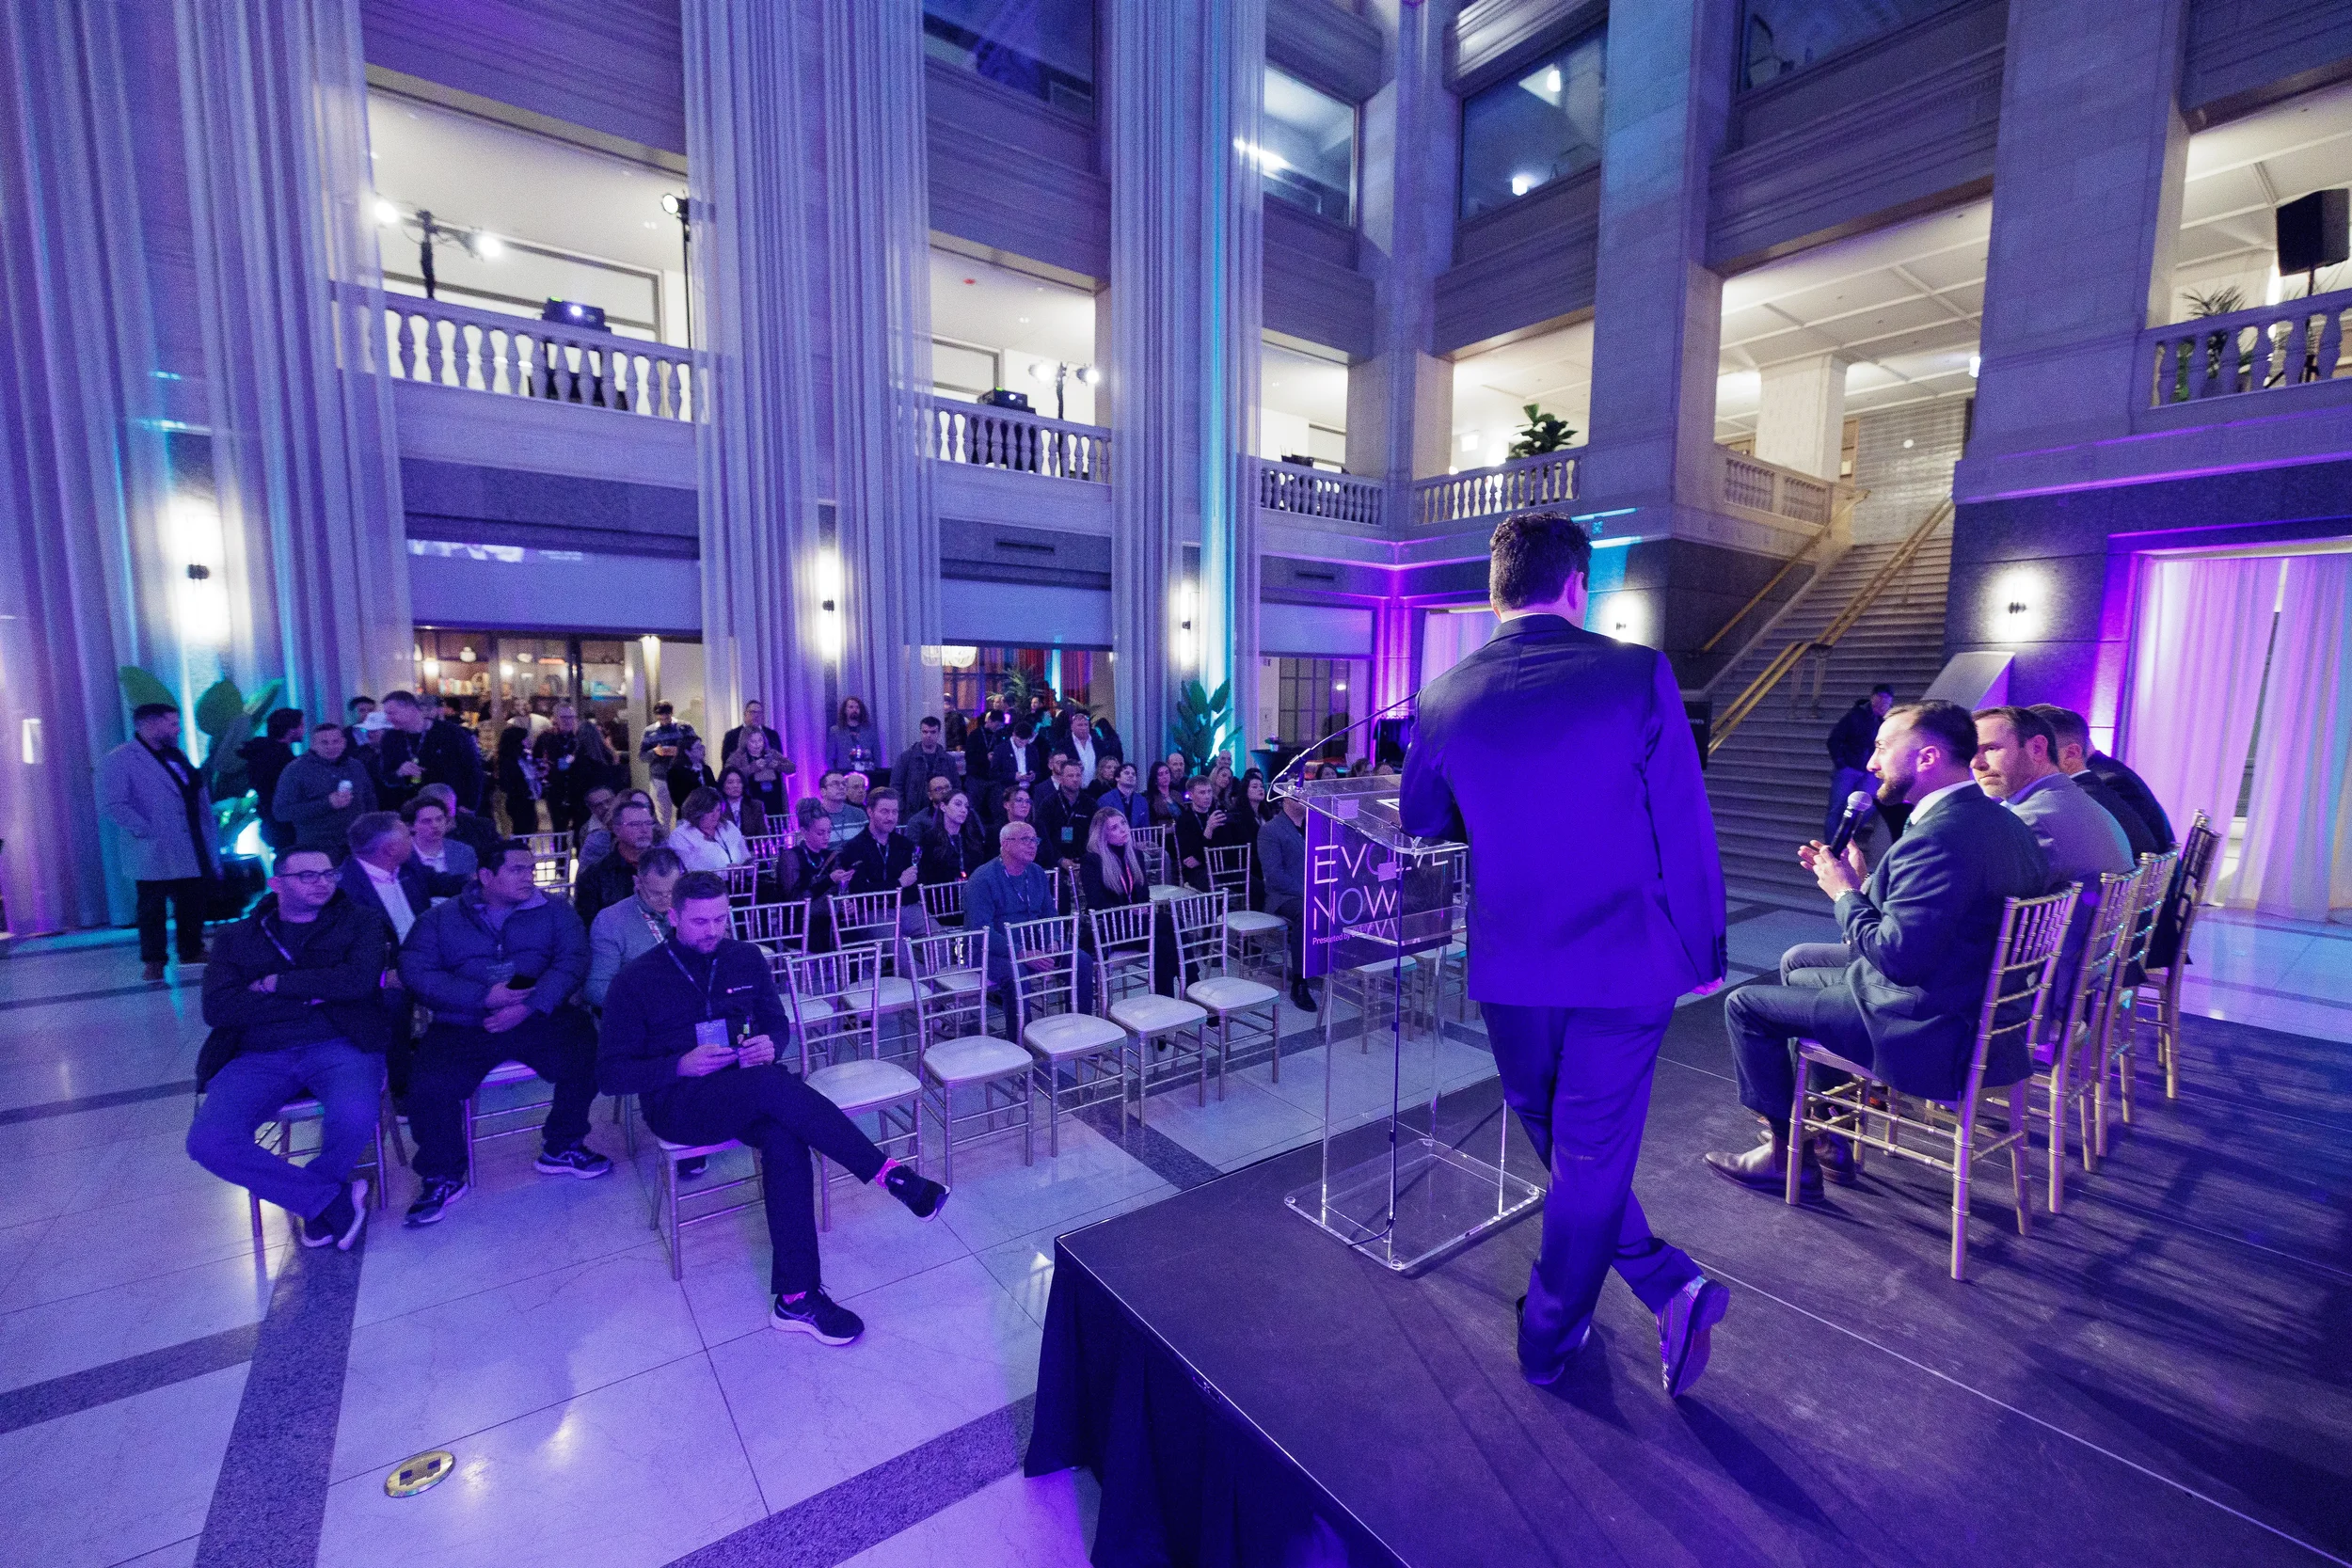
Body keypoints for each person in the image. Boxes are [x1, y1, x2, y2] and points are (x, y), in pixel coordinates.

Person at [1399, 510, 1730, 1397]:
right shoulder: (1635, 672)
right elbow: (1683, 823)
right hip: (1629, 961)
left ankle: (1555, 1330)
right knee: (1590, 1152)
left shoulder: (1441, 696)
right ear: (1577, 585)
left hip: (1516, 969)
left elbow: (1422, 820)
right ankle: (1663, 1287)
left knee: (1565, 1143)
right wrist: (1706, 945)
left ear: (1493, 589)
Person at [1708, 700, 2048, 1197]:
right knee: (1799, 973)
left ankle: (1786, 1156)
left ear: (1928, 757)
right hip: (1975, 1005)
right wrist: (1864, 883)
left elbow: (1898, 957)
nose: (1871, 763)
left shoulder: (1938, 837)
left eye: (1883, 747)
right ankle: (1826, 1133)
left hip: (1927, 1024)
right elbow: (1941, 919)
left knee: (1745, 1006)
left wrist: (1844, 893)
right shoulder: (2003, 823)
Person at [596, 872, 948, 1342]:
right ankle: (889, 1174)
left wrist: (770, 1044)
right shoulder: (636, 980)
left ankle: (797, 1298)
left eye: (721, 918)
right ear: (673, 917)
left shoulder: (744, 959)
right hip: (678, 1102)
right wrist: (679, 1065)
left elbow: (776, 1025)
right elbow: (611, 1074)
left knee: (784, 1136)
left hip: (745, 1082)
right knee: (770, 1089)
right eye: (700, 921)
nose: (712, 930)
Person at [398, 841, 610, 1225]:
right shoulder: (441, 919)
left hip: (539, 1014)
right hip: (464, 1021)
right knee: (429, 1084)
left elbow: (573, 960)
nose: (528, 877)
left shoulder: (554, 911)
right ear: (485, 876)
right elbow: (417, 970)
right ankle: (443, 1173)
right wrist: (482, 997)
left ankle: (563, 1144)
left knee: (589, 1055)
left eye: (531, 869)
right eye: (517, 870)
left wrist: (528, 1006)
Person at [188, 848, 389, 1251]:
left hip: (341, 1042)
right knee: (208, 1141)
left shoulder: (361, 922)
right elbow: (219, 1007)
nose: (322, 883)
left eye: (328, 873)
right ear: (276, 884)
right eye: (307, 876)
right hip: (257, 1055)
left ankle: (317, 1199)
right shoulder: (236, 939)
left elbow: (357, 983)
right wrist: (312, 995)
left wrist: (276, 984)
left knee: (354, 1114)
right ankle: (325, 1199)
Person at [99, 702, 222, 981]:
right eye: (172, 723)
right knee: (152, 905)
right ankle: (154, 960)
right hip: (152, 846)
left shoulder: (175, 754)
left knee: (192, 899)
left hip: (190, 841)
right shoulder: (121, 758)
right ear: (150, 724)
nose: (177, 729)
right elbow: (113, 804)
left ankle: (191, 949)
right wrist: (147, 830)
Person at [2026, 704, 2169, 858]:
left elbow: (2136, 850)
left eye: (2038, 750)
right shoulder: (2103, 772)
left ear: (2072, 753)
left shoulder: (2109, 782)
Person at [962, 820, 1062, 1017]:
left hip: (1033, 943)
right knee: (1018, 975)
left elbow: (1050, 913)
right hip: (985, 950)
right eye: (1026, 839)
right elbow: (981, 932)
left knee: (1081, 960)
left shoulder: (1037, 872)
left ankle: (1079, 1026)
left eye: (1035, 839)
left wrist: (1054, 940)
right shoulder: (982, 879)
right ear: (1005, 844)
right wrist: (1021, 953)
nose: (1032, 844)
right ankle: (1019, 1038)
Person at [337, 811, 463, 944]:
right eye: (409, 836)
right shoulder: (344, 889)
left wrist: (479, 880)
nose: (413, 841)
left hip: (429, 947)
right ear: (391, 849)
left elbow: (444, 883)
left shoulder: (408, 865)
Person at [584, 847, 684, 1007]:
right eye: (656, 893)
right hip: (644, 1009)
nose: (666, 899)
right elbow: (596, 987)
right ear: (637, 882)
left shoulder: (692, 911)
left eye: (672, 891)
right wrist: (645, 1004)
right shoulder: (610, 920)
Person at [273, 721, 375, 860]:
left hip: (357, 844)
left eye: (335, 741)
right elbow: (281, 812)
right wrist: (327, 804)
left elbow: (370, 800)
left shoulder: (356, 766)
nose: (331, 746)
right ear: (314, 745)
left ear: (344, 742)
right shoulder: (296, 770)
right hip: (318, 849)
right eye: (324, 743)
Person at [377, 690, 485, 815]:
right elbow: (386, 777)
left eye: (392, 713)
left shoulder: (452, 733)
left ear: (411, 708)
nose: (388, 718)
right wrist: (399, 772)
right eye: (387, 714)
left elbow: (473, 770)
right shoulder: (390, 738)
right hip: (412, 809)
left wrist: (469, 805)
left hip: (452, 807)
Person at [1260, 792, 1313, 1010]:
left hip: (1313, 891)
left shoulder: (1316, 827)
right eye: (1295, 796)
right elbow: (1274, 875)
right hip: (1283, 896)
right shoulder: (1270, 830)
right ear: (1284, 800)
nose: (1302, 799)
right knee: (1307, 912)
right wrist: (1308, 892)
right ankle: (1300, 981)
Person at [575, 798, 660, 930]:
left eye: (648, 823)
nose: (644, 830)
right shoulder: (594, 876)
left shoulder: (669, 865)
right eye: (635, 824)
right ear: (616, 829)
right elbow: (589, 924)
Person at [1824, 685, 1894, 841]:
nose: (1883, 706)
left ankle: (1846, 837)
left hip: (1869, 771)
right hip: (1849, 768)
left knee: (1869, 806)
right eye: (1880, 701)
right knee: (1836, 808)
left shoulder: (1887, 722)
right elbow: (1834, 740)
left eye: (1887, 703)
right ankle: (1832, 844)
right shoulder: (1855, 716)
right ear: (1873, 698)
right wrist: (1841, 763)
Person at [240, 708, 305, 856]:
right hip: (285, 825)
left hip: (269, 821)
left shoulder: (259, 753)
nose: (303, 730)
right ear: (291, 729)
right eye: (301, 725)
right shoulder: (284, 760)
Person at [533, 705, 595, 834]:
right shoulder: (546, 737)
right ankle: (560, 855)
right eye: (564, 717)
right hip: (556, 789)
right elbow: (536, 758)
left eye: (571, 717)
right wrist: (544, 772)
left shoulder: (582, 737)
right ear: (555, 718)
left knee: (581, 828)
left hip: (579, 789)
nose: (568, 721)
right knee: (559, 829)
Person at [416, 781, 504, 868]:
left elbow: (501, 857)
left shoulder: (482, 828)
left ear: (454, 804)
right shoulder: (414, 837)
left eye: (449, 809)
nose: (445, 815)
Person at [639, 702, 697, 826]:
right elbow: (642, 756)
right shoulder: (649, 731)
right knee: (662, 817)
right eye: (660, 718)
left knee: (686, 812)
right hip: (660, 778)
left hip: (683, 776)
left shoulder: (685, 727)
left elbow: (696, 748)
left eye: (666, 717)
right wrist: (655, 752)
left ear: (671, 713)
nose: (664, 721)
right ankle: (664, 843)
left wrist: (680, 751)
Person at [1032, 756, 1094, 869]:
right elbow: (1041, 836)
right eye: (1070, 775)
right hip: (1055, 862)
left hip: (1084, 861)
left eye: (1078, 775)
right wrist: (1059, 860)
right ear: (1061, 778)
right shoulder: (1049, 803)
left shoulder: (1090, 804)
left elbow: (1096, 834)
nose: (1075, 779)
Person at [672, 786, 752, 873]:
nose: (715, 816)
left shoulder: (728, 826)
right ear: (696, 812)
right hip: (705, 885)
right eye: (710, 811)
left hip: (740, 882)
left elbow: (745, 856)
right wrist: (725, 872)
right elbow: (692, 870)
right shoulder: (681, 835)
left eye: (718, 810)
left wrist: (748, 864)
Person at [917, 790, 989, 884]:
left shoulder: (972, 837)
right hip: (941, 895)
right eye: (958, 804)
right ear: (943, 807)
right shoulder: (929, 838)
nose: (964, 810)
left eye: (966, 806)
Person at [405, 795, 478, 883]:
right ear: (411, 826)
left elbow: (470, 889)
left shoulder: (464, 852)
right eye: (427, 821)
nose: (435, 825)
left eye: (439, 819)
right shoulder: (403, 855)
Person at [891, 716, 960, 806]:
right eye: (925, 732)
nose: (928, 735)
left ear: (939, 733)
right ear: (921, 732)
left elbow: (955, 786)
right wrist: (901, 810)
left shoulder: (948, 760)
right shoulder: (906, 758)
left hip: (941, 811)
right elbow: (896, 786)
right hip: (913, 812)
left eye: (933, 732)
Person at [1172, 773, 1224, 893]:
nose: (1207, 796)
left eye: (1209, 791)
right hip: (1196, 872)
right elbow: (1188, 859)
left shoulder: (1216, 814)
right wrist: (1209, 830)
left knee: (1255, 886)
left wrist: (1199, 858)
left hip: (1218, 864)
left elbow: (1223, 846)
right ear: (1191, 795)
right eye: (1202, 793)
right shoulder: (1184, 820)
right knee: (1216, 889)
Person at [726, 727, 790, 820]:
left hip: (775, 803)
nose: (757, 745)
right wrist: (752, 768)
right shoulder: (737, 757)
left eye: (760, 740)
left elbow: (792, 768)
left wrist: (778, 765)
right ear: (745, 742)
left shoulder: (772, 753)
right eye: (753, 741)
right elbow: (728, 774)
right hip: (752, 804)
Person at [497, 716, 545, 834]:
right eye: (524, 739)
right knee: (521, 832)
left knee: (528, 830)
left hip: (528, 801)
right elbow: (508, 783)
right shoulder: (509, 762)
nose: (527, 741)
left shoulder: (523, 758)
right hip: (518, 803)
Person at [720, 700, 787, 773]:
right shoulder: (732, 735)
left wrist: (779, 765)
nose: (756, 715)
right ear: (745, 714)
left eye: (759, 712)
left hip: (772, 780)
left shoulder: (772, 734)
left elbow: (782, 759)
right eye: (753, 712)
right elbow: (727, 767)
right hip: (745, 782)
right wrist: (752, 767)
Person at [827, 695, 880, 782]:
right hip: (844, 774)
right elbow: (830, 757)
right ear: (845, 710)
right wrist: (835, 776)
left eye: (857, 707)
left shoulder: (870, 730)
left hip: (867, 774)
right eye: (851, 707)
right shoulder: (835, 731)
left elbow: (877, 755)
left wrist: (876, 774)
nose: (854, 710)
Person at [990, 720, 1045, 800]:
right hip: (1008, 792)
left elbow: (1039, 771)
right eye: (1020, 740)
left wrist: (1033, 776)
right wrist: (1014, 776)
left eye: (1026, 740)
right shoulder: (1001, 749)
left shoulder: (1032, 749)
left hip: (1028, 792)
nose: (1023, 742)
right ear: (1014, 734)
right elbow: (993, 773)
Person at [666, 736, 718, 820]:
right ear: (687, 752)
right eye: (698, 748)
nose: (702, 750)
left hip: (708, 813)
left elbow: (714, 788)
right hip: (688, 815)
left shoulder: (706, 769)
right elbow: (678, 800)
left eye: (702, 746)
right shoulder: (675, 772)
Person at [573, 786, 625, 869]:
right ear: (592, 809)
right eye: (599, 805)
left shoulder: (629, 820)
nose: (606, 807)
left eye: (608, 801)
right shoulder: (587, 831)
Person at [816, 768, 868, 847]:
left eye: (844, 784)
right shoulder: (814, 815)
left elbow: (867, 844)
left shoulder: (859, 814)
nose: (841, 787)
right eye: (835, 784)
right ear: (823, 791)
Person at [718, 767, 771, 841]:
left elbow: (763, 835)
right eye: (730, 782)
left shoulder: (755, 805)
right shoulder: (718, 807)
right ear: (723, 786)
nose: (735, 786)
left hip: (752, 849)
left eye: (739, 782)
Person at [906, 773, 957, 841]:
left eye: (947, 787)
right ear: (930, 795)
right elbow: (916, 849)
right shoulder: (918, 821)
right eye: (938, 789)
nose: (944, 791)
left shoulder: (966, 813)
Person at [1146, 760, 1182, 827]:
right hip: (1162, 834)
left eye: (1167, 773)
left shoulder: (1176, 794)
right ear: (1155, 779)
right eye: (1160, 774)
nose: (1165, 776)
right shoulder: (1151, 798)